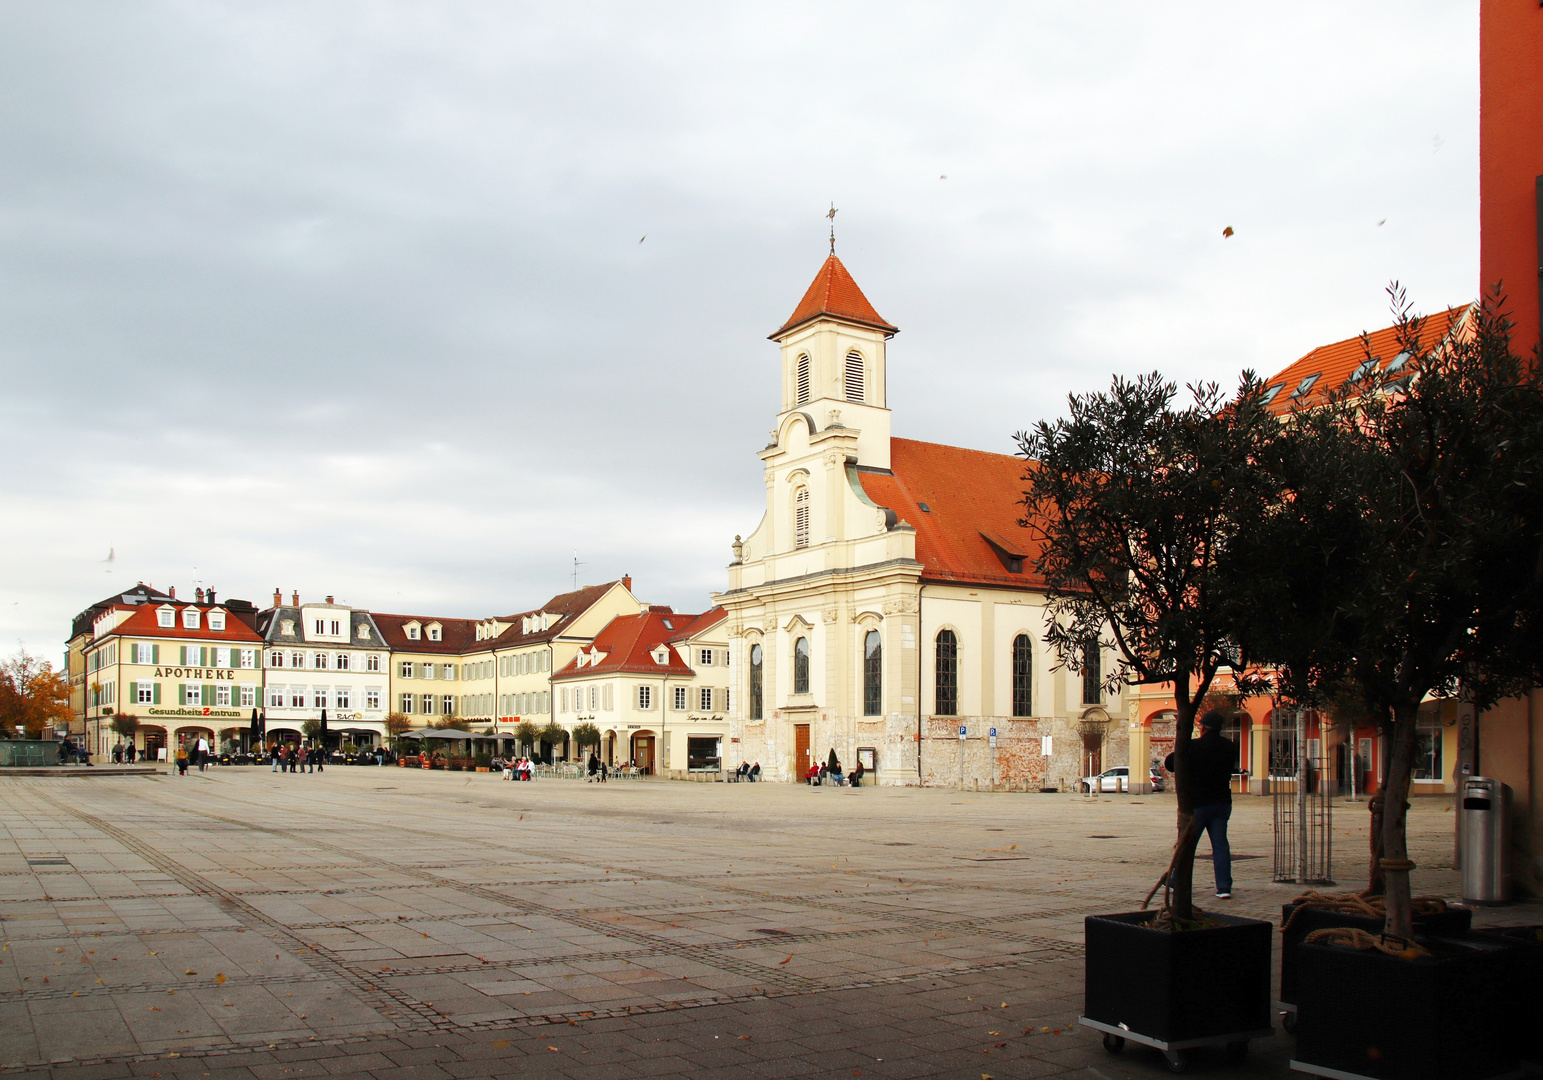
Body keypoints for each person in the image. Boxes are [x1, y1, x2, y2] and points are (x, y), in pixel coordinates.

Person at [1166, 710, 1237, 899]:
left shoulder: (1193, 747)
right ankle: (1223, 887)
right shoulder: (1229, 747)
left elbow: (1170, 763)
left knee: (1187, 844)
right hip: (1222, 802)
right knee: (1221, 846)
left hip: (1198, 803)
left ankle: (1175, 881)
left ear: (1203, 727)